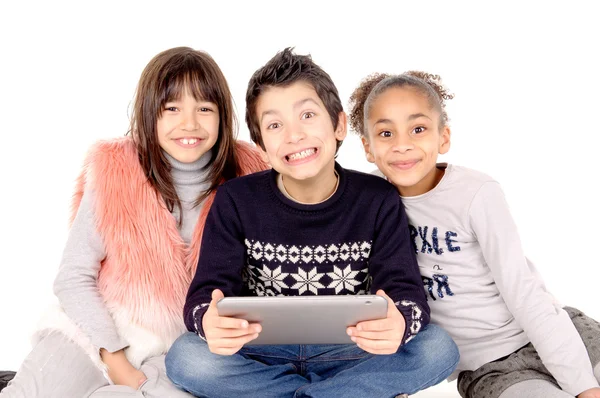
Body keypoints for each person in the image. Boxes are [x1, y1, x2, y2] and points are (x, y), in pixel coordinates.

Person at [165, 48, 459, 398]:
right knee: (186, 358)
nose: (294, 135)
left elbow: (406, 290)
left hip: (351, 350)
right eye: (275, 125)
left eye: (307, 115)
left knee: (437, 348)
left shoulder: (377, 198)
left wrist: (399, 322)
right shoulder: (236, 200)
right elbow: (204, 294)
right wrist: (208, 322)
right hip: (263, 353)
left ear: (338, 125)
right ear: (261, 143)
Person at [1, 46, 267, 398]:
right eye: (171, 108)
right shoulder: (115, 169)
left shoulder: (251, 175)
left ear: (222, 115)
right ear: (149, 114)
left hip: (179, 347)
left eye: (204, 108)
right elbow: (73, 278)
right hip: (95, 330)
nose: (189, 124)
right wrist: (114, 359)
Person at [348, 71, 600, 398]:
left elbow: (523, 290)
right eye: (385, 133)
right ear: (367, 147)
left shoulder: (476, 193)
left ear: (443, 137)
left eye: (418, 129)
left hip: (557, 333)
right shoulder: (369, 204)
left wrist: (585, 386)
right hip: (486, 368)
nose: (402, 145)